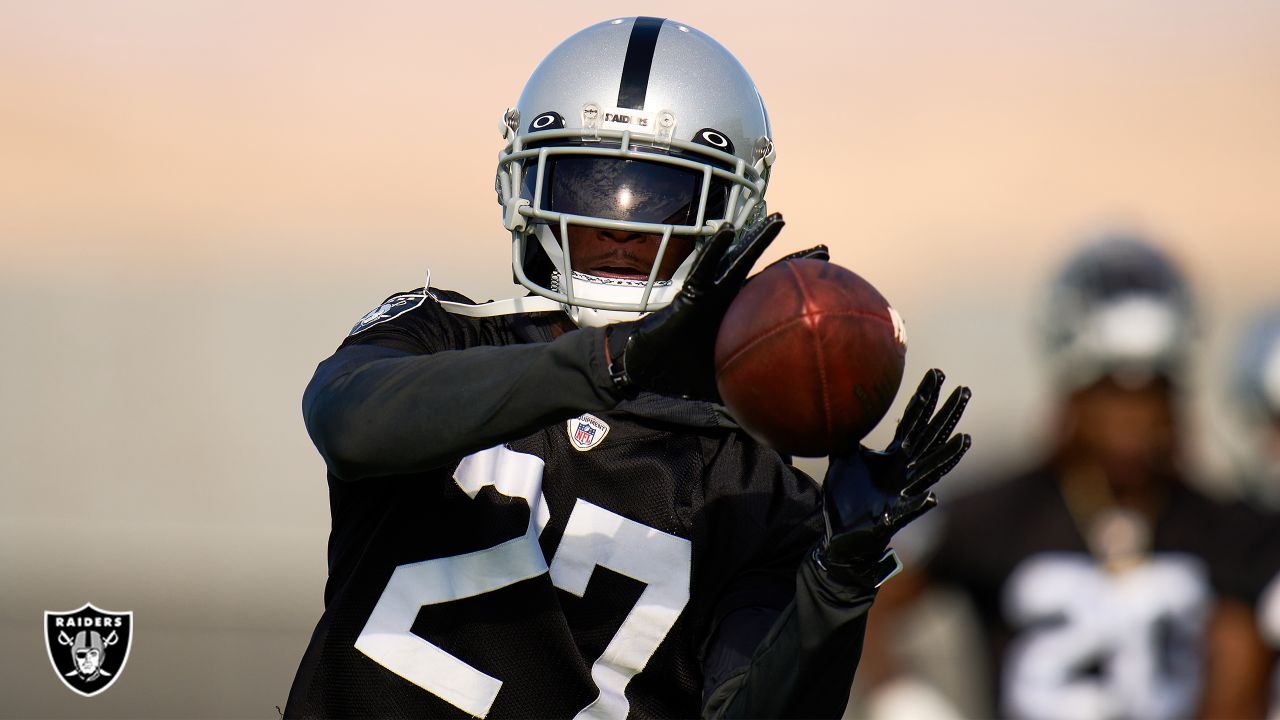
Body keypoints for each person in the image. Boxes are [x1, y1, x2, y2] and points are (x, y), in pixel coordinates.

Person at [283, 17, 971, 719]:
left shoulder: (750, 488)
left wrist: (837, 584)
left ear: (731, 219)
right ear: (533, 189)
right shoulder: (445, 335)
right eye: (589, 185)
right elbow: (350, 425)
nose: (619, 226)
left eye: (662, 196)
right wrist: (612, 362)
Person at [860, 235, 1264, 719]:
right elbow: (872, 592)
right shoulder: (1002, 513)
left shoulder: (1223, 528)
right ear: (1074, 389)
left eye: (1150, 389)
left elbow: (1242, 666)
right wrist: (898, 694)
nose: (1131, 417)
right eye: (1111, 389)